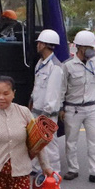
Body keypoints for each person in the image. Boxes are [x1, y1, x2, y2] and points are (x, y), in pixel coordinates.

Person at [60, 30, 95, 186]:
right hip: (72, 109)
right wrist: (61, 108)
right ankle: (73, 169)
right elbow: (62, 88)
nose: (92, 49)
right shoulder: (68, 66)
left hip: (92, 108)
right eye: (89, 47)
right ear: (80, 47)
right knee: (71, 141)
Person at [29, 29, 65, 175]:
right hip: (36, 110)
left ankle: (54, 172)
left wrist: (45, 114)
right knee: (36, 141)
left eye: (39, 42)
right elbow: (37, 85)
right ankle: (36, 168)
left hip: (47, 113)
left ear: (45, 45)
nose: (37, 45)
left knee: (50, 144)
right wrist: (31, 100)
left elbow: (53, 93)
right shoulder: (41, 63)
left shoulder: (55, 67)